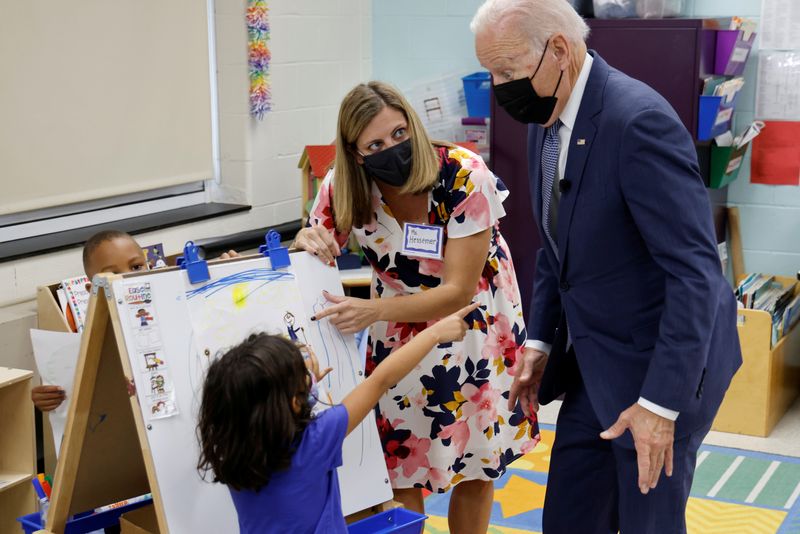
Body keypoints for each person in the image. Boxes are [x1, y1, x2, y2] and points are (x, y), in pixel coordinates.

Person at [471, 1, 742, 532]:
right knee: (571, 516)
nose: (497, 86)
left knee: (648, 521)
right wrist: (542, 343)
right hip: (597, 364)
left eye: (505, 70)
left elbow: (695, 275)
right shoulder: (545, 115)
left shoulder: (637, 121)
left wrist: (661, 406)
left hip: (665, 367)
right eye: (490, 72)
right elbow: (558, 246)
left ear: (559, 51)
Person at [293, 81, 538, 533]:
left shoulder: (464, 174)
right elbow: (315, 244)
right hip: (398, 331)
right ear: (356, 153)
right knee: (399, 459)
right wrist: (307, 239)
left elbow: (458, 291)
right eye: (376, 144)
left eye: (400, 134)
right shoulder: (345, 186)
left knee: (476, 464)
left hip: (476, 326)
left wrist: (371, 312)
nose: (393, 149)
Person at [196, 303, 477, 534]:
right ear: (293, 402)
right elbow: (381, 380)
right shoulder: (315, 440)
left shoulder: (231, 450)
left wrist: (302, 391)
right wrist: (434, 334)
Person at [31, 230, 148, 412]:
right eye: (111, 274)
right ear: (92, 290)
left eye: (136, 267)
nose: (128, 279)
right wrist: (46, 398)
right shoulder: (88, 341)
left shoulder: (174, 313)